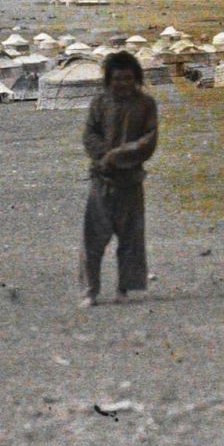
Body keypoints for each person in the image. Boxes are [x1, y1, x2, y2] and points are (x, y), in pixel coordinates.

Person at [79, 50, 158, 306]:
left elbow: (149, 139)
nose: (122, 83)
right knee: (93, 238)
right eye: (117, 78)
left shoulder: (146, 104)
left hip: (131, 180)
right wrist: (104, 156)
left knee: (131, 238)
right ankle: (90, 291)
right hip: (102, 180)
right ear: (108, 79)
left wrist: (120, 155)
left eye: (127, 78)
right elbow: (89, 134)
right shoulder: (99, 103)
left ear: (136, 78)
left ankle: (124, 289)